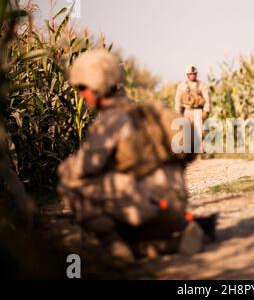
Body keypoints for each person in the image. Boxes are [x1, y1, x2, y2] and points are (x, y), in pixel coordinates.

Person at [57, 49, 203, 262]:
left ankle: (116, 246)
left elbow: (82, 169)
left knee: (69, 184)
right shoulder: (151, 112)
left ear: (97, 85)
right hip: (176, 207)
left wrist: (63, 168)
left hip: (144, 208)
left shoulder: (109, 122)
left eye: (82, 88)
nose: (80, 95)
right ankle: (169, 240)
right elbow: (191, 150)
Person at [174, 65, 210, 153]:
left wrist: (206, 110)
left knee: (199, 131)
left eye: (194, 74)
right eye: (191, 74)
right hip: (187, 111)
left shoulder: (201, 85)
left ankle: (201, 150)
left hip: (198, 111)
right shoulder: (182, 86)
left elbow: (207, 97)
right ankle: (187, 152)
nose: (193, 75)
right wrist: (177, 112)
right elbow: (177, 100)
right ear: (187, 75)